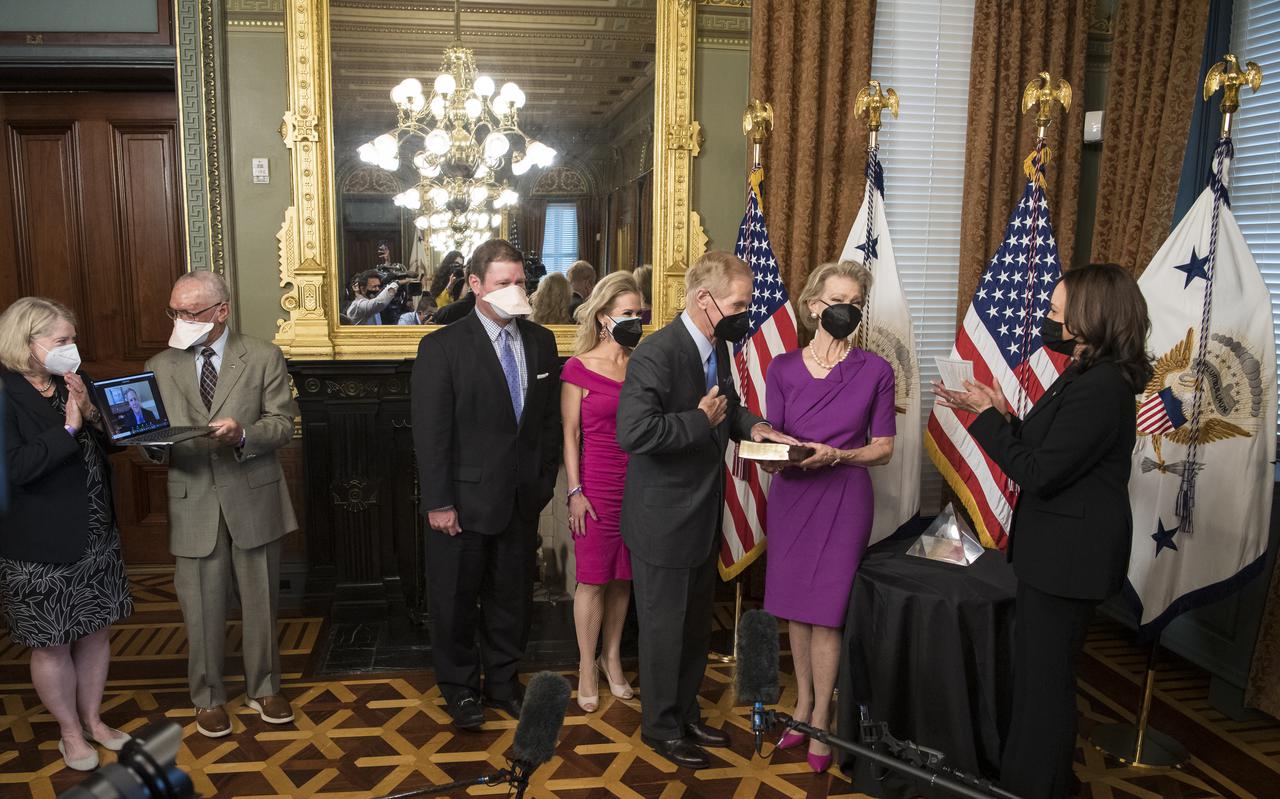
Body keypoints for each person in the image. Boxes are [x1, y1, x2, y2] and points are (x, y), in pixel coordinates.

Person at [933, 263, 1150, 799]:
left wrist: (986, 419)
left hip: (1068, 561)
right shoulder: (1083, 373)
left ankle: (1034, 787)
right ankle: (1033, 780)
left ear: (1090, 317)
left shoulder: (1102, 386)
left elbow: (1039, 471)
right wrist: (1003, 412)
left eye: (1057, 312)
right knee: (1036, 681)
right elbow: (1048, 446)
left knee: (1045, 687)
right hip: (1054, 556)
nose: (1048, 319)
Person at [616, 250, 798, 770]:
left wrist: (754, 427)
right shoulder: (657, 352)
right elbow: (634, 432)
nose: (747, 312)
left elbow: (729, 407)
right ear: (704, 299)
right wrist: (697, 421)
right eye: (739, 303)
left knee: (695, 627)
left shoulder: (715, 346)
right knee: (664, 629)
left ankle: (686, 713)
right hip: (662, 520)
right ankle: (660, 728)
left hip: (701, 514)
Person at [411, 238, 562, 730]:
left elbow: (545, 425)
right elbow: (432, 434)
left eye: (521, 282)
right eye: (504, 283)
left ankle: (502, 683)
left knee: (511, 597)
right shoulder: (442, 346)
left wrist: (542, 482)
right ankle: (459, 691)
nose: (516, 291)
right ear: (476, 285)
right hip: (460, 503)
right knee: (455, 601)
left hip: (521, 499)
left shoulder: (541, 341)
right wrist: (438, 503)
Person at [146, 271, 299, 739]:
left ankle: (265, 688)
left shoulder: (263, 356)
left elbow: (284, 424)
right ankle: (208, 697)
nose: (181, 320)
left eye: (191, 313)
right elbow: (150, 441)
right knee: (201, 609)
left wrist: (244, 434)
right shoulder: (159, 365)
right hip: (193, 500)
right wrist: (144, 442)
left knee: (260, 601)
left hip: (254, 494)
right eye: (175, 311)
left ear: (221, 312)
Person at [761, 262, 896, 773]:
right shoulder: (782, 367)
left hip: (845, 498)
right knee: (796, 607)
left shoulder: (876, 371)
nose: (847, 309)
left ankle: (822, 713)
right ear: (814, 304)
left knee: (827, 612)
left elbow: (882, 449)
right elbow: (769, 433)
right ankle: (800, 703)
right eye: (838, 298)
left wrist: (837, 455)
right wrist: (784, 448)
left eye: (856, 302)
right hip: (794, 495)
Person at [0, 297, 133, 771]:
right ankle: (70, 732)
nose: (71, 348)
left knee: (96, 632)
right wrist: (70, 427)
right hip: (39, 541)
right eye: (61, 341)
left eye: (72, 339)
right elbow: (13, 468)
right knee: (52, 641)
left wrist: (92, 413)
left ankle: (94, 720)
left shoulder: (73, 382)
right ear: (27, 342)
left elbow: (111, 442)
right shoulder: (5, 391)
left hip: (96, 533)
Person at [561, 272, 644, 713]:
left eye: (639, 313)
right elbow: (570, 434)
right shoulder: (578, 367)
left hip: (640, 485)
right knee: (592, 579)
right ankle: (586, 665)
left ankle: (612, 659)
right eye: (626, 313)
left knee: (623, 578)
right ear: (603, 316)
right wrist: (575, 491)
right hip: (595, 485)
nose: (635, 319)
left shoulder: (643, 363)